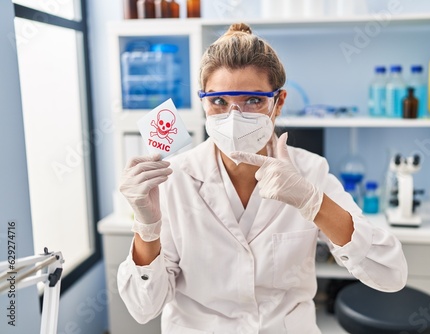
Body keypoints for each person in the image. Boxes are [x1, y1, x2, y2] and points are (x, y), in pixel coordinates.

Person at [117, 23, 408, 334]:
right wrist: (147, 228)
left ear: (278, 103)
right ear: (203, 102)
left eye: (253, 101)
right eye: (219, 102)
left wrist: (313, 202)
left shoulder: (310, 172)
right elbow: (143, 308)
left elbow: (390, 274)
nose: (233, 116)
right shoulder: (175, 178)